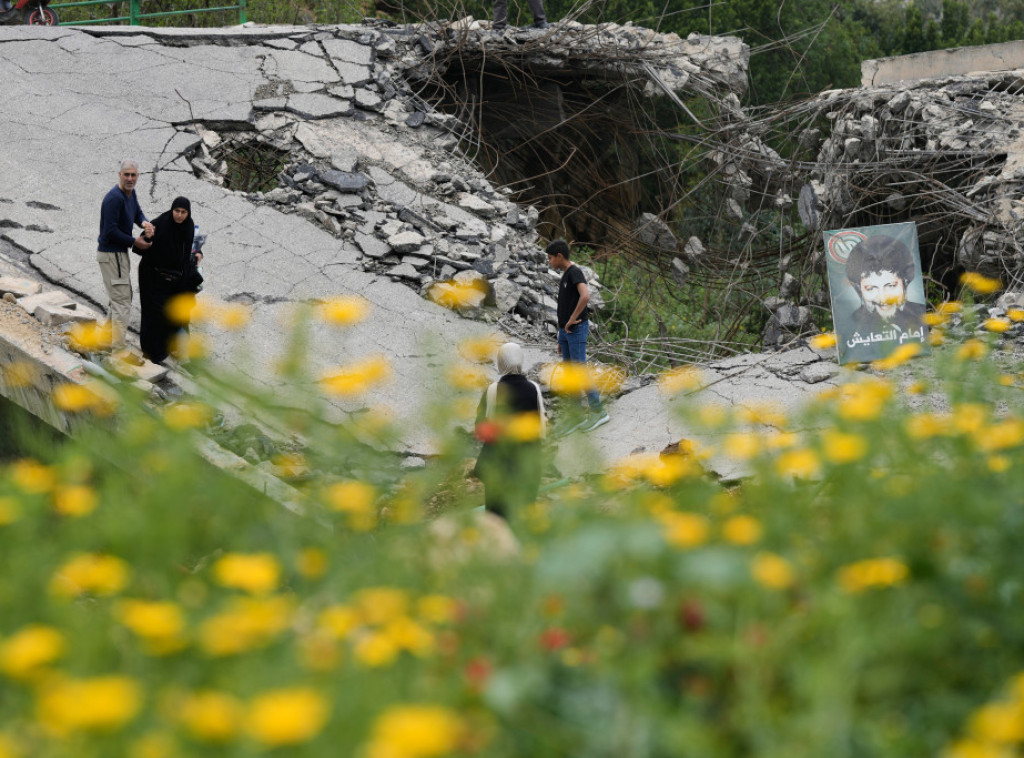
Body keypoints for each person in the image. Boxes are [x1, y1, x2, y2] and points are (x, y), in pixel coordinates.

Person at [474, 342, 546, 522]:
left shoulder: (492, 390)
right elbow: (541, 429)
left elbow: (480, 428)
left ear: (500, 362)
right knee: (524, 514)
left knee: (496, 517)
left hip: (499, 466)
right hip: (528, 463)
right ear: (520, 360)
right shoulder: (534, 388)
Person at [546, 239, 608, 432]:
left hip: (576, 329)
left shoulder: (574, 272)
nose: (549, 262)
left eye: (550, 258)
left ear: (559, 256)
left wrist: (572, 319)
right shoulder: (566, 275)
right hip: (566, 332)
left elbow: (585, 296)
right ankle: (577, 417)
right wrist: (561, 334)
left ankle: (599, 412)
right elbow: (564, 306)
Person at [841, 234, 927, 362]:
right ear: (859, 290)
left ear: (905, 282)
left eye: (891, 286)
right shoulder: (850, 327)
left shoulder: (922, 316)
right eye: (871, 288)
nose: (882, 298)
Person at [136, 196, 201, 365]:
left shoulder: (188, 226)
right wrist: (149, 238)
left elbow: (186, 252)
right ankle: (151, 354)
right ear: (172, 210)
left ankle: (170, 348)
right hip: (152, 276)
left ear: (188, 213)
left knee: (172, 313)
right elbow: (137, 247)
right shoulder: (160, 224)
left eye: (183, 212)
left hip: (174, 278)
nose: (179, 215)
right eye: (177, 211)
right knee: (153, 315)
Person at [97, 159, 154, 350]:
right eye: (126, 174)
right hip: (112, 255)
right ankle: (118, 351)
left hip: (118, 256)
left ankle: (105, 339)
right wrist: (134, 241)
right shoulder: (115, 198)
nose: (130, 178)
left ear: (138, 176)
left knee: (120, 298)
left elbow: (137, 213)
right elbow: (109, 232)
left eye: (133, 175)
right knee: (122, 303)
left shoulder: (130, 194)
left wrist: (145, 223)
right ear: (119, 175)